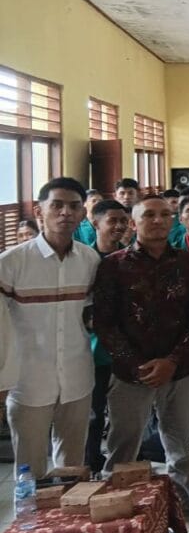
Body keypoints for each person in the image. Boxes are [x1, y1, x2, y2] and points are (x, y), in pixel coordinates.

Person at [92, 195, 189, 533]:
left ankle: (184, 517)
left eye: (164, 215)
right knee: (123, 449)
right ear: (133, 222)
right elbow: (105, 323)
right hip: (132, 374)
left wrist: (172, 360)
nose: (157, 220)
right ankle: (119, 525)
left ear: (173, 220)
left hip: (180, 370)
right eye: (148, 215)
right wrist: (137, 365)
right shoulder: (113, 266)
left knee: (181, 449)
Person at [0, 177, 99, 478]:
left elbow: (91, 315)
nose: (65, 212)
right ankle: (31, 510)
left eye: (74, 206)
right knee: (29, 470)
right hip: (28, 381)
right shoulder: (11, 262)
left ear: (83, 213)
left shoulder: (89, 260)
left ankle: (68, 510)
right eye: (57, 205)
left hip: (77, 377)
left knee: (72, 466)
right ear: (39, 210)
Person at [84, 200, 130, 474]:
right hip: (94, 351)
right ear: (95, 223)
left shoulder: (130, 258)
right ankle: (90, 463)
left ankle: (122, 466)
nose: (119, 226)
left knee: (125, 416)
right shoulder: (85, 261)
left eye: (123, 220)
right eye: (112, 220)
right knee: (93, 414)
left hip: (127, 351)